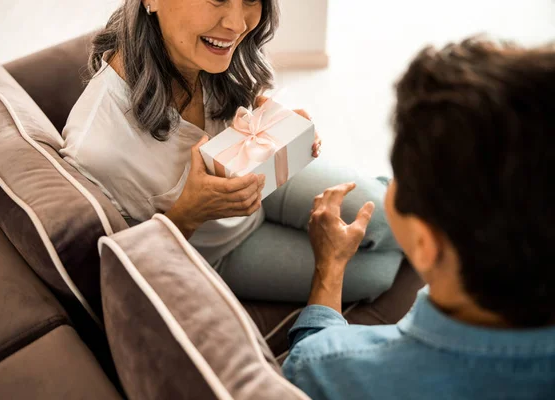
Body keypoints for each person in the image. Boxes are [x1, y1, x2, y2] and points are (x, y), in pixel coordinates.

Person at [60, 0, 403, 303]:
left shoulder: (203, 51)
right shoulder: (97, 147)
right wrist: (188, 214)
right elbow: (118, 278)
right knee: (376, 274)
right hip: (219, 249)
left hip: (261, 184)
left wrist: (271, 123)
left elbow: (244, 102)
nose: (238, 24)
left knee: (388, 218)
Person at [282, 37, 555, 399]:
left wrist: (329, 269)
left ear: (426, 246)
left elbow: (312, 358)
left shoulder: (331, 368)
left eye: (398, 179)